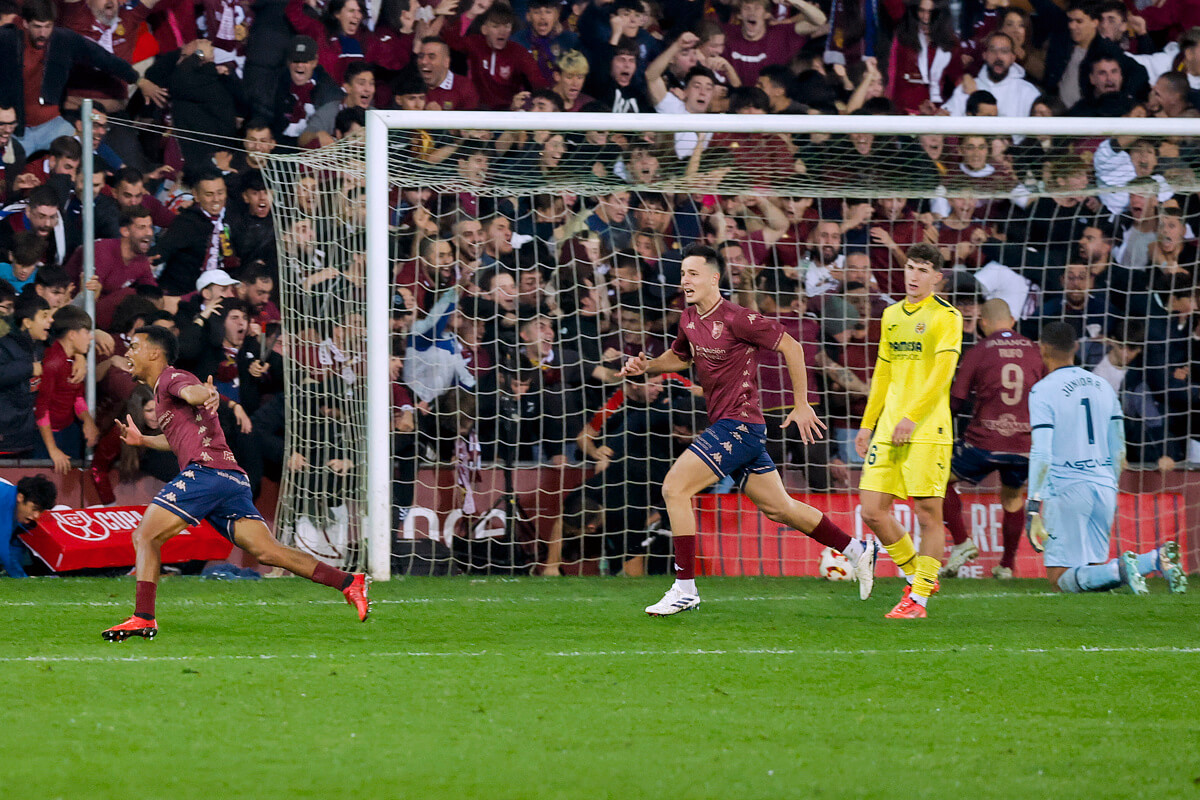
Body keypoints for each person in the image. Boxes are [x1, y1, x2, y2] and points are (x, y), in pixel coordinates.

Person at [619, 244, 878, 617]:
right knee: (780, 508)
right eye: (682, 274)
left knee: (674, 488)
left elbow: (792, 346)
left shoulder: (740, 318)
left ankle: (685, 588)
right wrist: (646, 367)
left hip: (738, 425)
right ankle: (857, 550)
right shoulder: (689, 319)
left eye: (692, 273)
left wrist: (802, 404)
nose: (685, 280)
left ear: (714, 278)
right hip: (734, 426)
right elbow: (678, 357)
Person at [102, 325, 370, 640]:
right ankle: (349, 582)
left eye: (134, 346)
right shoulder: (164, 397)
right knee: (269, 552)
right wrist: (145, 441)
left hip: (207, 474)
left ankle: (143, 617)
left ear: (153, 353)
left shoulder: (172, 379)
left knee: (146, 537)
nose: (128, 353)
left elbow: (194, 392)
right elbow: (178, 439)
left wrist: (209, 393)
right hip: (229, 477)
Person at [1025, 322, 1186, 595]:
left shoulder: (1042, 390)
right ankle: (1157, 559)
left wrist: (1032, 506)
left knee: (1058, 577)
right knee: (1091, 569)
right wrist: (1108, 483)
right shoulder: (1103, 385)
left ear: (1042, 349)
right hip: (1103, 485)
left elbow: (1041, 451)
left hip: (1066, 489)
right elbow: (1119, 448)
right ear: (1075, 348)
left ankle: (1121, 568)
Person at [855, 242, 962, 619]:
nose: (914, 276)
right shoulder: (891, 315)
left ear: (937, 277)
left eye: (922, 270)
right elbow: (883, 374)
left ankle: (917, 600)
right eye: (910, 268)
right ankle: (920, 575)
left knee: (928, 514)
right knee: (872, 509)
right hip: (888, 427)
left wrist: (912, 416)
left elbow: (942, 374)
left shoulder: (946, 317)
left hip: (927, 427)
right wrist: (869, 423)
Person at [939, 299, 1045, 580]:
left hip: (983, 442)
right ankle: (1007, 566)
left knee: (938, 481)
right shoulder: (1035, 350)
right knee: (1012, 498)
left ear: (983, 323)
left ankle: (961, 543)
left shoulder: (979, 350)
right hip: (1025, 444)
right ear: (1011, 320)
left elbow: (956, 400)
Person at [0, 475, 56, 578]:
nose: (36, 516)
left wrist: (21, 575)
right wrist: (21, 577)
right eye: (34, 509)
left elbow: (12, 548)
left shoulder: (14, 505)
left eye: (40, 511)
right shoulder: (3, 500)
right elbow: (3, 549)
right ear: (20, 497)